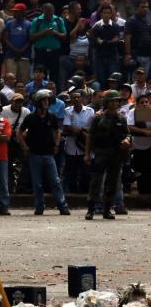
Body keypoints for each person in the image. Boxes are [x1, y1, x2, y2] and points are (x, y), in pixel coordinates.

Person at [18, 89, 71, 215]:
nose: (47, 102)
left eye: (48, 100)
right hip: (34, 154)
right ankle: (39, 206)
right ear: (38, 102)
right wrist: (25, 146)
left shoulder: (51, 116)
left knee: (55, 181)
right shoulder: (31, 117)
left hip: (48, 154)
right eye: (44, 100)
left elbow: (58, 131)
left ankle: (63, 206)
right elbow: (20, 132)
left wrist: (57, 144)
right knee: (37, 184)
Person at [85, 90, 131, 220]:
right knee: (96, 183)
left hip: (116, 155)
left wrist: (127, 140)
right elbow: (90, 136)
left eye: (116, 101)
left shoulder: (121, 119)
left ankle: (107, 210)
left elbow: (127, 134)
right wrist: (87, 154)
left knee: (112, 183)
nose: (114, 103)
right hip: (101, 153)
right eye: (112, 101)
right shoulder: (98, 118)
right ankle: (91, 209)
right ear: (106, 102)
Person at [61, 89, 94, 194]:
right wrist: (83, 130)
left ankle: (85, 194)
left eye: (78, 97)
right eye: (73, 97)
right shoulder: (67, 110)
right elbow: (68, 127)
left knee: (86, 173)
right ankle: (73, 193)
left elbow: (92, 128)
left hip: (85, 147)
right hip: (71, 148)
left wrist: (79, 130)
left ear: (82, 99)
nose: (76, 99)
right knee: (71, 173)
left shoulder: (90, 111)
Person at [3, 3, 32, 83]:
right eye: (14, 11)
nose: (14, 13)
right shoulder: (9, 23)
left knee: (23, 81)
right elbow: (5, 38)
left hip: (24, 56)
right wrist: (15, 50)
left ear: (23, 12)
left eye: (17, 11)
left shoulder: (29, 24)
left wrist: (21, 51)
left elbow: (30, 40)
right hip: (11, 56)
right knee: (10, 80)